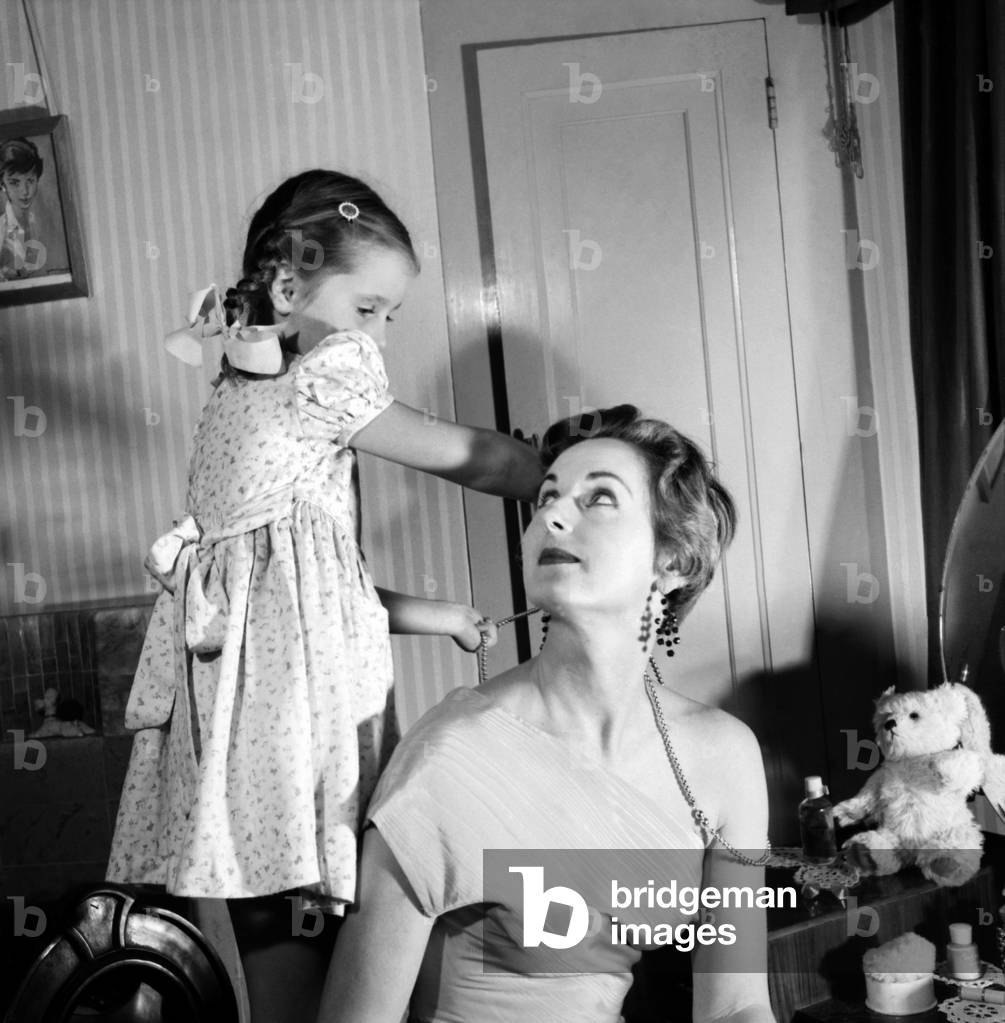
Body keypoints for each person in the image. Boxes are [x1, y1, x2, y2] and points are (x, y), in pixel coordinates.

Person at [106, 170, 542, 1023]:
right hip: (294, 741)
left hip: (241, 747)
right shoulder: (326, 375)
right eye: (369, 307)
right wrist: (556, 470)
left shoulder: (239, 396)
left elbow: (311, 587)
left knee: (294, 970)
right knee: (337, 974)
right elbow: (473, 459)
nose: (376, 335)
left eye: (388, 316)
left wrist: (439, 614)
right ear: (287, 287)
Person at [319, 404, 775, 1023]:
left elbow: (736, 1006)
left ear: (672, 560)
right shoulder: (453, 753)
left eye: (601, 499)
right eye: (546, 497)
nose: (552, 515)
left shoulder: (725, 756)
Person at [0, 136, 66, 280]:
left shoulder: (41, 222)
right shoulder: (2, 230)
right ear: (2, 185)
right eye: (14, 183)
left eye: (30, 180)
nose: (25, 191)